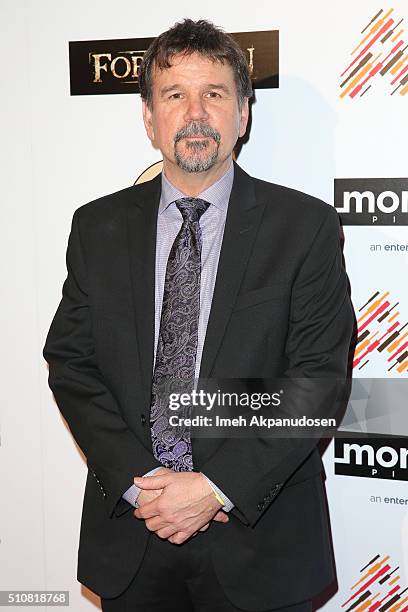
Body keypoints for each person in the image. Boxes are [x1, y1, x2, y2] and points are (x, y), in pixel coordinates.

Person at [43, 18, 355, 612]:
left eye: (214, 94)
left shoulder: (304, 228)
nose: (194, 113)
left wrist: (215, 488)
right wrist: (141, 483)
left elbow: (317, 381)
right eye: (174, 94)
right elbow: (72, 364)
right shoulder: (97, 227)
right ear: (147, 116)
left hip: (260, 543)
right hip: (132, 535)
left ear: (242, 116)